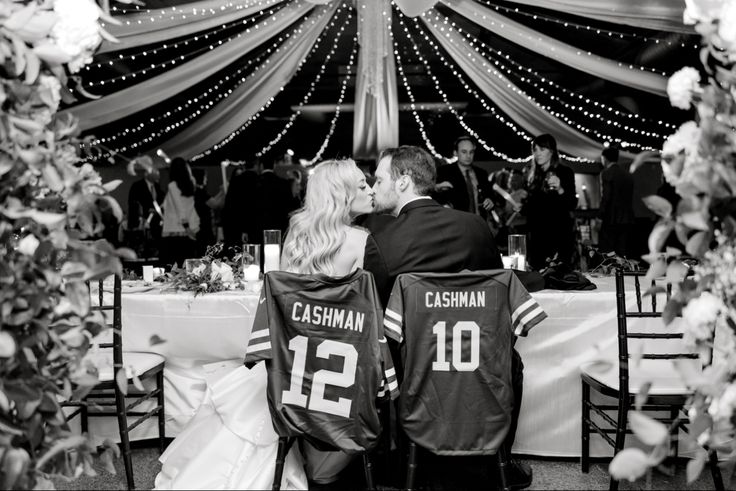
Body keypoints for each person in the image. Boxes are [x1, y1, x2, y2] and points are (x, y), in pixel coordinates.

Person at [154, 159, 388, 490]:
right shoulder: (361, 241)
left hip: (292, 363)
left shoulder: (298, 233)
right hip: (337, 367)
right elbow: (368, 316)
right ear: (344, 194)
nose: (371, 190)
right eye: (362, 186)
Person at [365, 146, 530, 489]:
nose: (374, 187)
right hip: (477, 365)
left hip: (414, 371)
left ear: (403, 182)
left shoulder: (378, 238)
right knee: (512, 362)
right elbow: (496, 299)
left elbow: (375, 314)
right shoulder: (475, 227)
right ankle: (498, 459)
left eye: (379, 179)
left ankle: (401, 460)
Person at [521, 134, 577, 271]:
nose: (537, 153)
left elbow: (571, 204)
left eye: (542, 149)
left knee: (560, 279)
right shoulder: (532, 175)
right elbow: (531, 210)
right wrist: (520, 207)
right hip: (537, 239)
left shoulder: (564, 172)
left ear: (551, 151)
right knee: (538, 281)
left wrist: (560, 189)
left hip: (558, 237)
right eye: (535, 150)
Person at [435, 136, 495, 219]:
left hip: (479, 222)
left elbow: (490, 194)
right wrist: (437, 188)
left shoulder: (481, 173)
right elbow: (433, 195)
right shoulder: (444, 172)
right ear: (455, 152)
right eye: (464, 152)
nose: (468, 156)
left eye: (471, 152)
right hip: (455, 222)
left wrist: (490, 200)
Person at [161, 157, 200, 269]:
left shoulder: (172, 185)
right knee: (187, 265)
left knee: (173, 265)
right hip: (192, 226)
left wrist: (186, 226)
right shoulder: (192, 182)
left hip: (176, 229)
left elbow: (179, 207)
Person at [598, 145, 634, 257]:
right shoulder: (627, 174)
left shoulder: (607, 172)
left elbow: (606, 196)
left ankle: (611, 273)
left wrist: (600, 216)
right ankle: (622, 272)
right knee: (622, 249)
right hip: (627, 218)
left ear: (604, 158)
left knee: (608, 250)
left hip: (611, 217)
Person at [127, 156, 163, 258]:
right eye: (156, 174)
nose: (158, 177)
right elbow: (132, 203)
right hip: (141, 223)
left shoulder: (157, 187)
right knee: (141, 252)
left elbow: (161, 201)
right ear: (148, 174)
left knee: (154, 251)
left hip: (155, 224)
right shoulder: (137, 186)